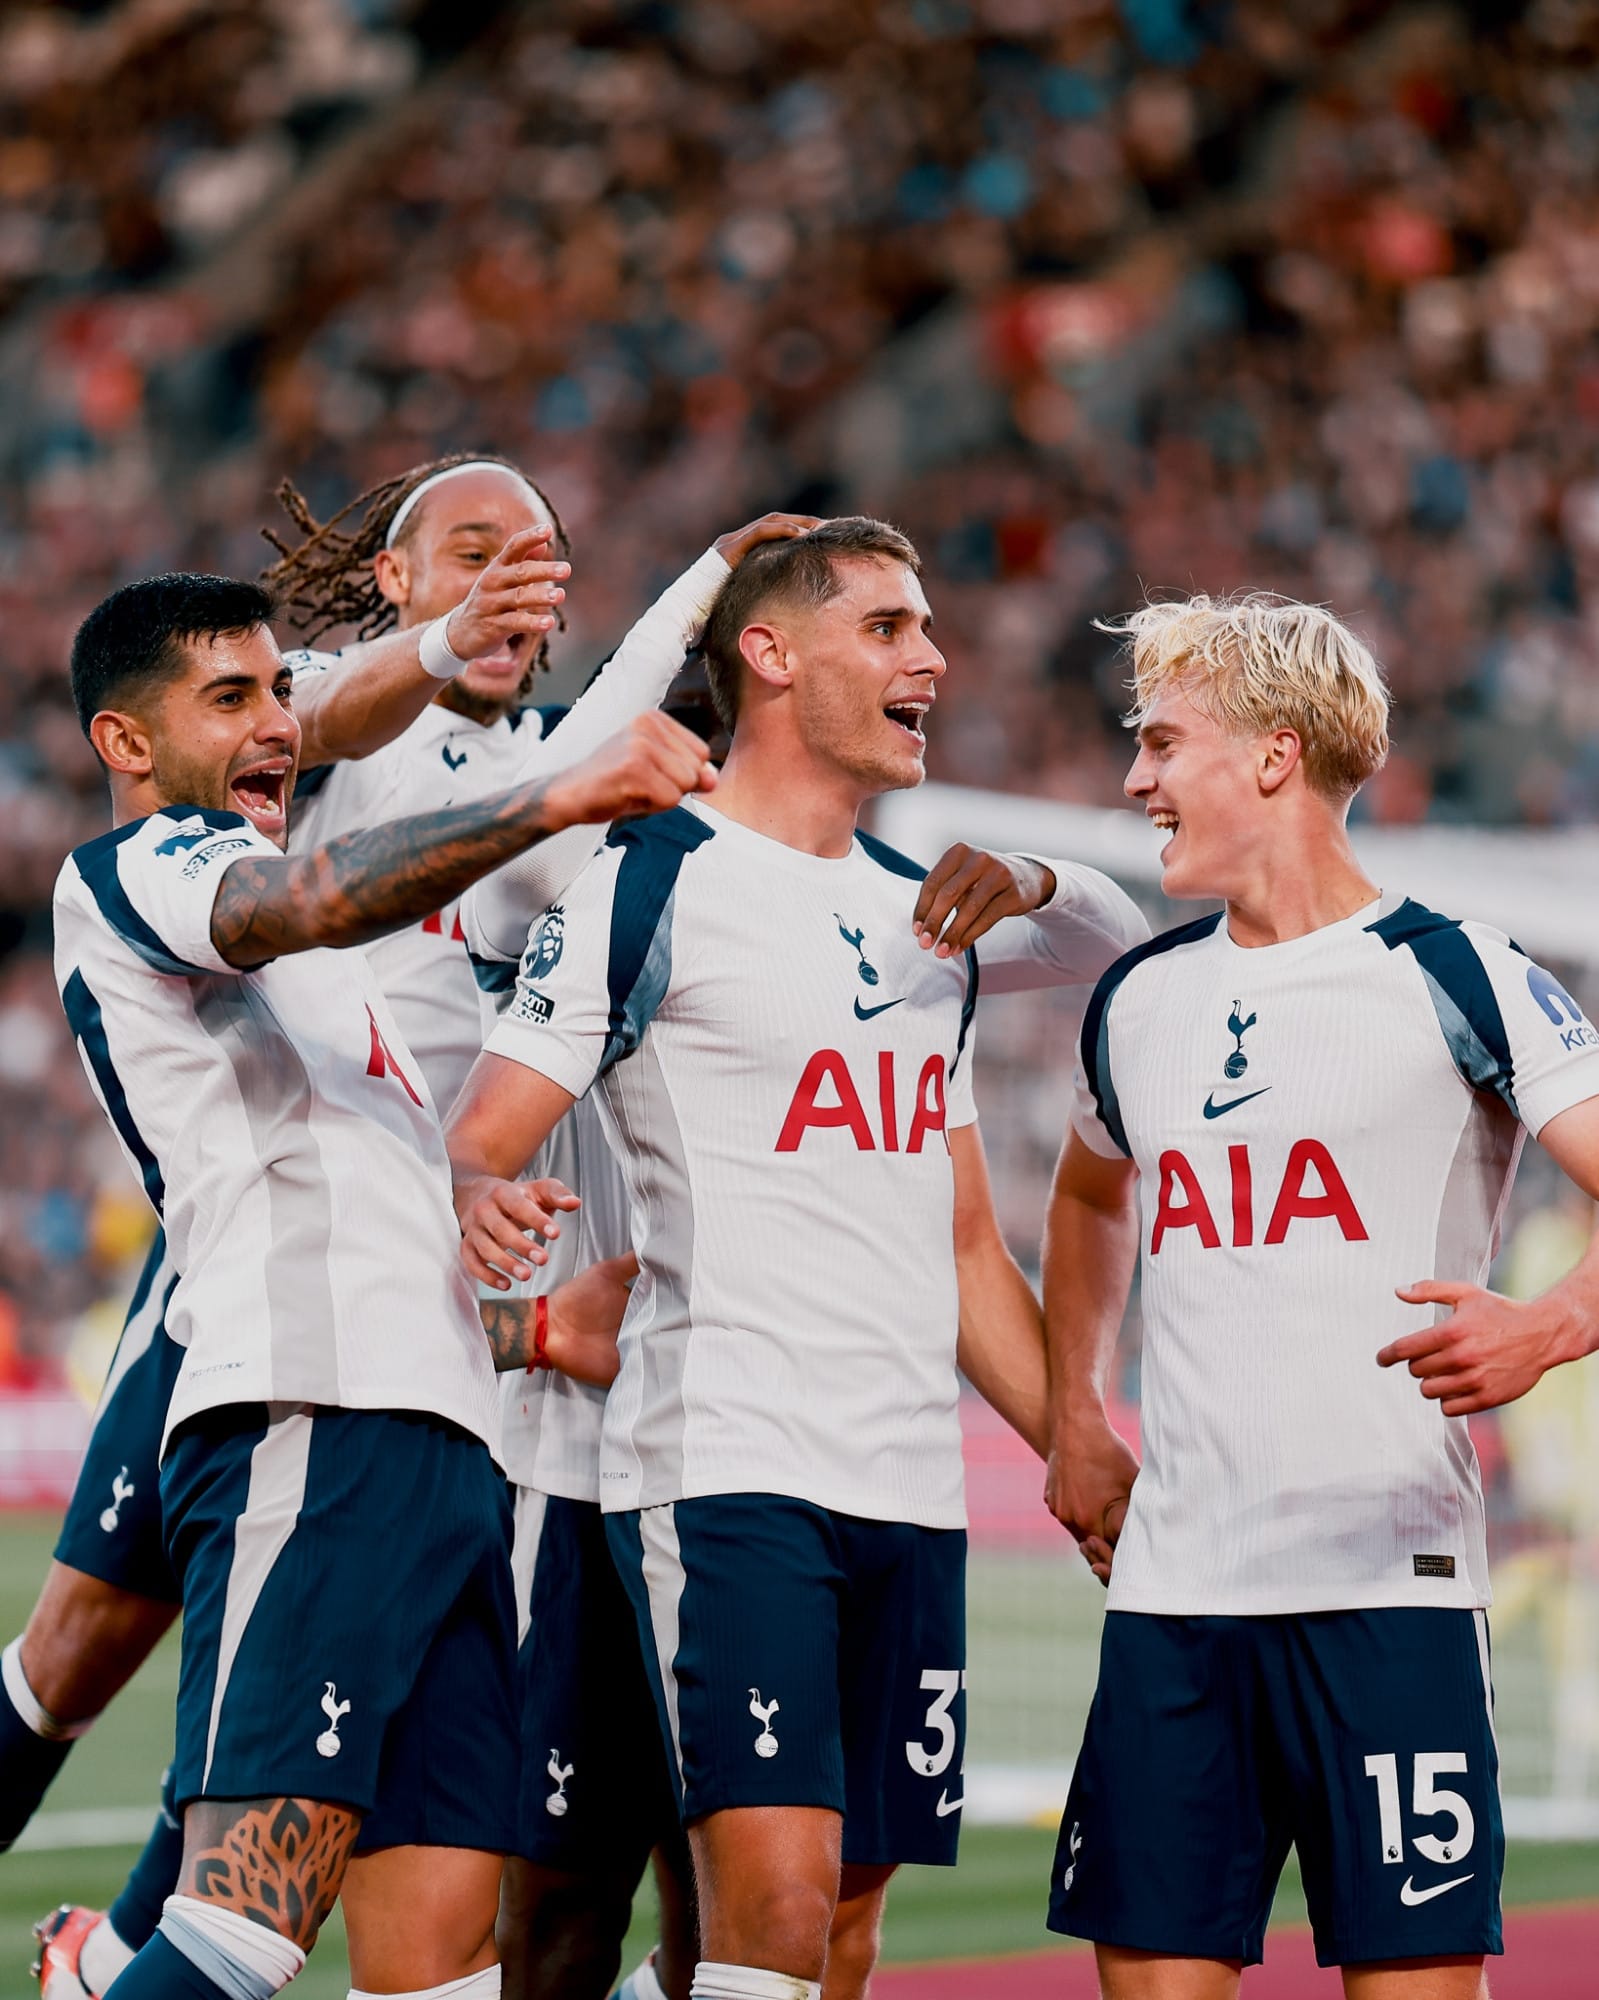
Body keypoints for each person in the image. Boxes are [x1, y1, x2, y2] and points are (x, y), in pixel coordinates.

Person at [30, 460, 815, 2000]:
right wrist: (557, 788)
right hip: (312, 1417)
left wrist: (506, 1285)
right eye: (231, 700)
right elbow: (308, 898)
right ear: (127, 742)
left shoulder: (343, 986)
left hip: (442, 1431)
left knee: (443, 1955)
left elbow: (366, 1106)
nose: (274, 724)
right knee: (242, 1921)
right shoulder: (153, 869)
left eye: (278, 693)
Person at [446, 517, 1148, 2000]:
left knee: (836, 1937)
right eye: (889, 627)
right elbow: (482, 1134)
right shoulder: (646, 883)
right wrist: (489, 1227)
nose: (933, 659)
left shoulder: (930, 919)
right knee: (761, 1921)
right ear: (770, 656)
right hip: (727, 1464)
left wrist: (1075, 1437)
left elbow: (963, 1231)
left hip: (908, 1484)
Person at [1041, 592, 1599, 2000]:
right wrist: (1075, 1415)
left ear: (1275, 757)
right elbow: (1091, 1194)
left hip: (1388, 1596)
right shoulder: (1140, 1000)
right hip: (1174, 1601)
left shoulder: (1457, 970)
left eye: (1163, 742)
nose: (1136, 779)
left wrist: (1553, 1322)